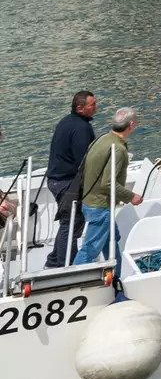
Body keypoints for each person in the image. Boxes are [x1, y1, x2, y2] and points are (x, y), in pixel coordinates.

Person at [73, 106, 141, 265]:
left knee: (111, 241)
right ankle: (73, 280)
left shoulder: (101, 139)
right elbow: (108, 183)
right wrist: (131, 197)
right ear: (131, 125)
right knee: (89, 250)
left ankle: (116, 277)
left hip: (90, 202)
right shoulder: (117, 148)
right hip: (101, 206)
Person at [43, 90, 95, 268]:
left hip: (56, 179)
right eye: (92, 105)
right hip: (67, 182)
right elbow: (84, 158)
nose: (95, 107)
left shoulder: (66, 122)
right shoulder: (81, 128)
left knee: (67, 221)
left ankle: (55, 259)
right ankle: (65, 265)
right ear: (80, 108)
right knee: (72, 222)